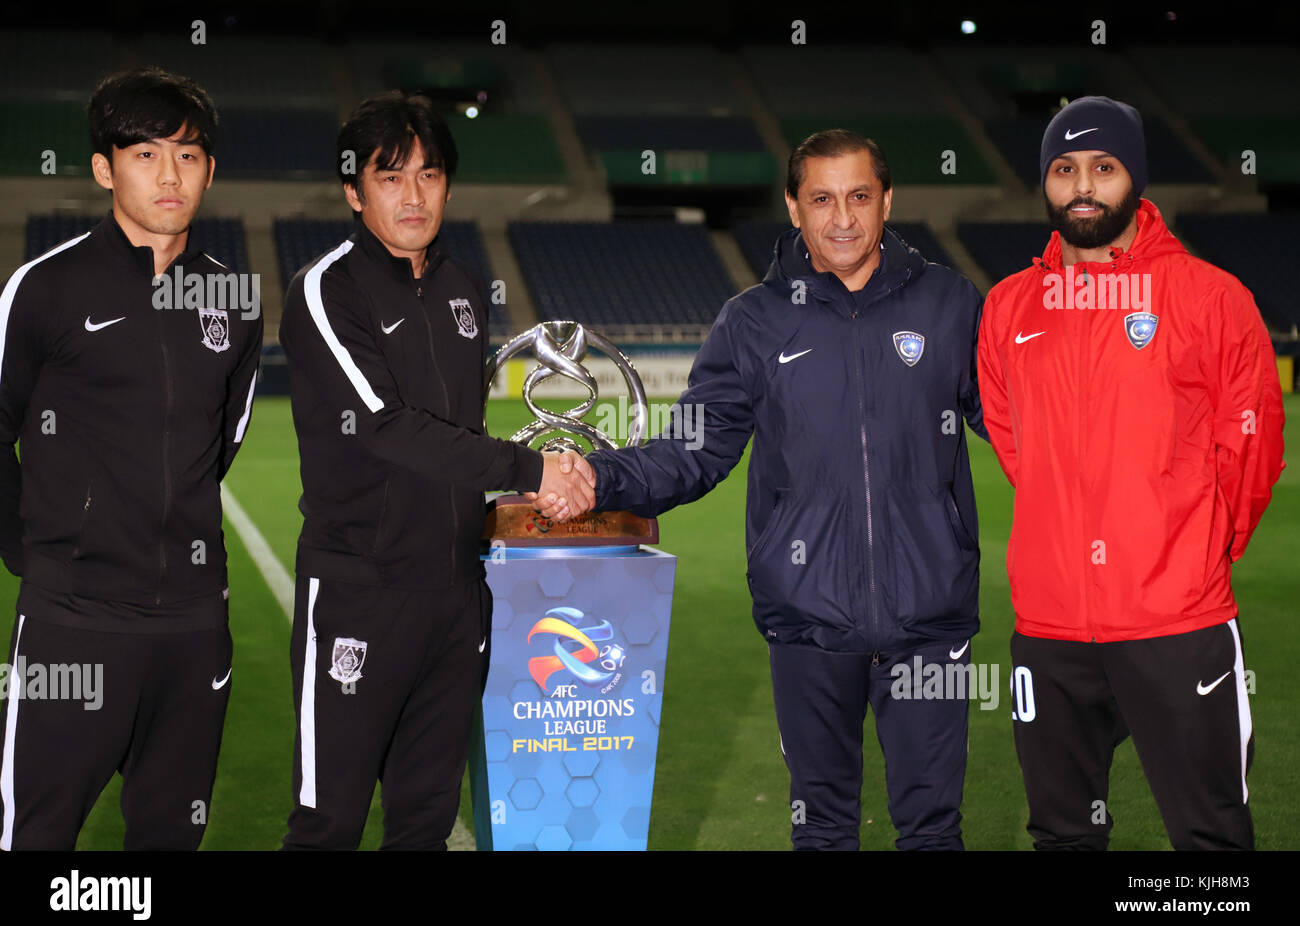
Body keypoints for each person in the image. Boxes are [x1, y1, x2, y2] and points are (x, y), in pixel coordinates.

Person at [536, 130, 986, 850]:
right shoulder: (753, 321)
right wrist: (601, 476)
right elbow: (693, 449)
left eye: (860, 197)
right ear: (794, 207)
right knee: (823, 829)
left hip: (932, 624)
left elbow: (1028, 425)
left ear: (888, 200)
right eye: (822, 199)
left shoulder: (950, 303)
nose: (843, 218)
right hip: (807, 621)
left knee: (934, 831)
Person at [278, 91, 591, 850]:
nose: (413, 195)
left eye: (429, 174)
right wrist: (531, 466)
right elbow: (386, 428)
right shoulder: (325, 291)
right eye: (391, 177)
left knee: (423, 822)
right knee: (330, 823)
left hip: (455, 597)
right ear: (355, 191)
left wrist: (529, 497)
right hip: (358, 593)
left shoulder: (461, 288)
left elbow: (461, 433)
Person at [977, 96, 1285, 850]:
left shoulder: (1211, 298)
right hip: (1048, 628)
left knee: (1209, 838)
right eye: (1064, 168)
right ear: (1045, 183)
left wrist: (1191, 550)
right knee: (1061, 834)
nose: (1083, 185)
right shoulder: (1009, 306)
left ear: (1134, 179)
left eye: (1103, 167)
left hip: (1176, 623)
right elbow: (1016, 445)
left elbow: (1250, 448)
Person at [0, 67, 261, 850]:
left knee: (167, 837)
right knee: (34, 836)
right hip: (72, 623)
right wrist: (34, 548)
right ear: (104, 168)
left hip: (190, 623)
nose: (169, 174)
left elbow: (225, 437)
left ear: (210, 169)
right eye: (145, 154)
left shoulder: (233, 298)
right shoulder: (44, 289)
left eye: (187, 154)